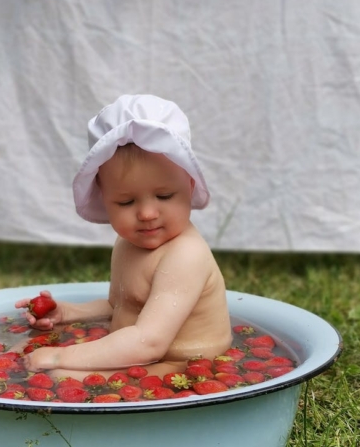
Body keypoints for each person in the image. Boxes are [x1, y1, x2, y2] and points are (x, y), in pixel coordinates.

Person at [14, 94, 232, 379]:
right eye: (126, 203)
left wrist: (60, 355)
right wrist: (67, 313)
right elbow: (121, 306)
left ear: (190, 186)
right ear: (104, 199)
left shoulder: (185, 256)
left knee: (58, 376)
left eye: (164, 196)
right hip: (143, 351)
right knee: (20, 350)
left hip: (189, 364)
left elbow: (149, 341)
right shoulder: (129, 242)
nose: (146, 214)